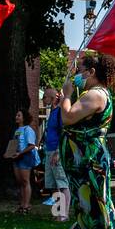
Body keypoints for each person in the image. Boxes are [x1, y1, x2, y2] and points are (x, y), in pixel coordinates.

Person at [60, 52, 115, 229]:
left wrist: (66, 95)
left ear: (91, 72)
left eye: (81, 71)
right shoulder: (91, 93)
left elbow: (68, 117)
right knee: (84, 212)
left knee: (94, 211)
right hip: (82, 163)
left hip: (90, 162)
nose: (78, 75)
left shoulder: (95, 95)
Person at [40, 87, 70, 221]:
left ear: (52, 98)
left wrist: (58, 151)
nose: (43, 99)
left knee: (62, 183)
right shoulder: (52, 112)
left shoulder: (59, 112)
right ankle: (57, 212)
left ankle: (64, 214)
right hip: (48, 150)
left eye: (45, 97)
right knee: (52, 184)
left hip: (56, 151)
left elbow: (63, 132)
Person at [8, 108, 40, 214]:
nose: (16, 117)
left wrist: (20, 153)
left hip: (25, 157)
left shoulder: (28, 130)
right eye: (16, 115)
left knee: (25, 181)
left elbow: (31, 146)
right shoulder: (17, 130)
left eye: (19, 116)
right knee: (20, 182)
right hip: (16, 157)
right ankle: (22, 204)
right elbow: (14, 143)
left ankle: (27, 205)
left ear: (24, 118)